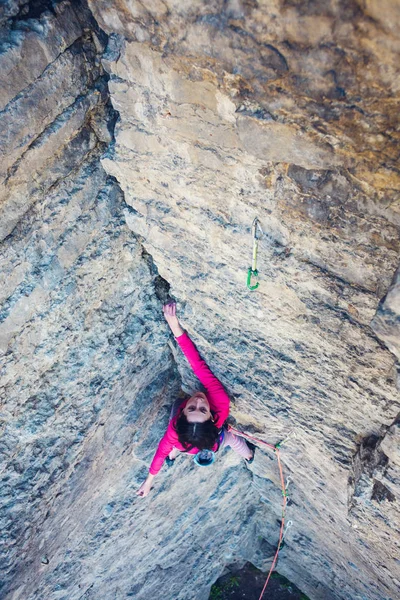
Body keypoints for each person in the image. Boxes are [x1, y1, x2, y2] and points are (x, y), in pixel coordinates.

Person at [137, 302, 254, 497]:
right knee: (231, 439)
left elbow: (159, 454)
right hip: (205, 441)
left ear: (182, 415)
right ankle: (249, 456)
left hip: (183, 445)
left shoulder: (175, 429)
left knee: (174, 417)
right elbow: (199, 367)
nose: (198, 401)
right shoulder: (219, 406)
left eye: (192, 408)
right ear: (211, 417)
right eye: (202, 410)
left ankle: (174, 454)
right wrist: (149, 483)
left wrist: (175, 326)